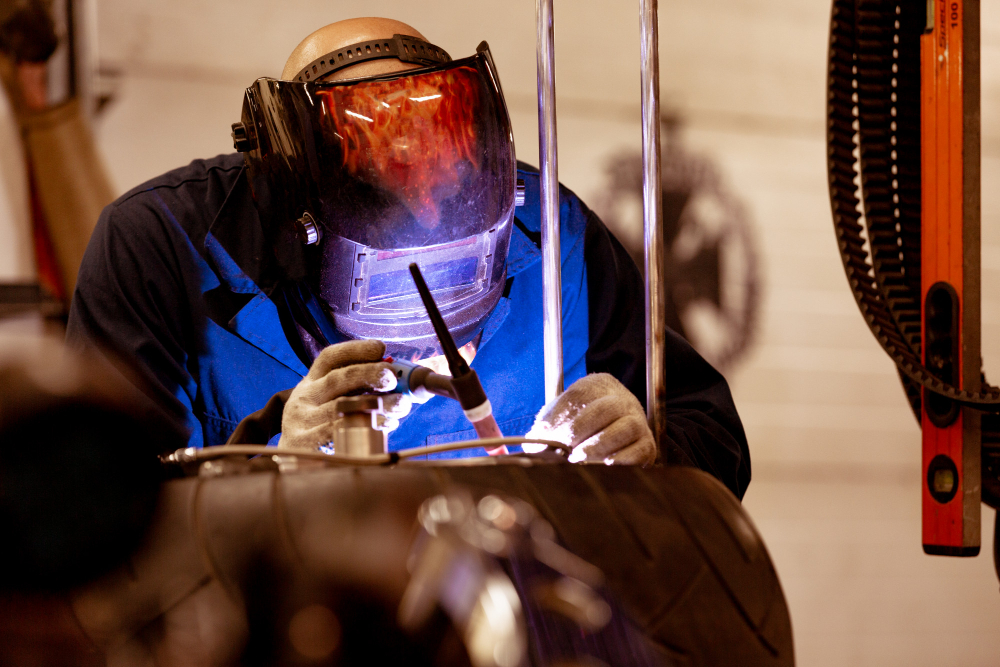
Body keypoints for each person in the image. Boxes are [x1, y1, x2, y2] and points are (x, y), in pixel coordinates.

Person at [66, 18, 752, 497]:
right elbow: (100, 520)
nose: (429, 333)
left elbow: (711, 429)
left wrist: (653, 444)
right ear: (297, 213)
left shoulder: (551, 230)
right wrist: (270, 466)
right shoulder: (160, 248)